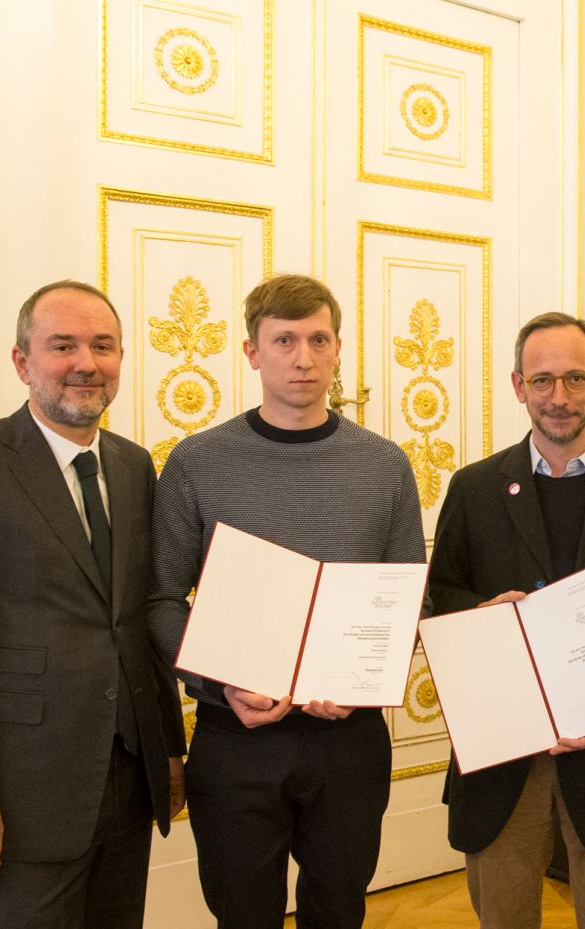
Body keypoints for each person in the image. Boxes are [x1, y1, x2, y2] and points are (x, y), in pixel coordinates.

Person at [0, 280, 185, 928]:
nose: (86, 362)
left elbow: (137, 621)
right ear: (22, 362)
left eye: (103, 346)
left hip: (127, 783)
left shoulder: (134, 466)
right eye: (62, 346)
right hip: (20, 795)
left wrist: (168, 748)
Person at [147, 273, 425, 929]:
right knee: (243, 914)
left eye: (318, 339)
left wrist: (361, 682)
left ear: (337, 349)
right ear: (251, 351)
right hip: (236, 735)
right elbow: (161, 599)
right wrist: (221, 681)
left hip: (347, 739)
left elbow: (407, 599)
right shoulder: (197, 461)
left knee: (339, 911)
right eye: (284, 340)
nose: (303, 357)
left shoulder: (385, 465)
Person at [426, 311, 585, 929]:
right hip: (502, 756)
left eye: (575, 378)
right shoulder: (473, 489)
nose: (559, 397)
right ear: (518, 386)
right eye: (542, 381)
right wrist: (481, 615)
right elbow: (440, 597)